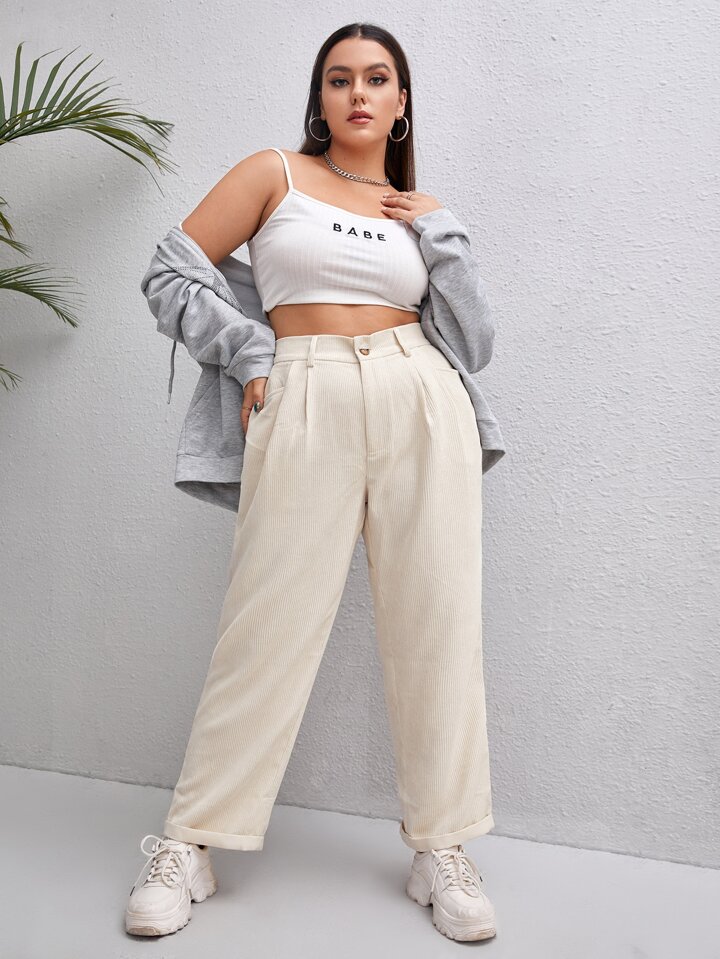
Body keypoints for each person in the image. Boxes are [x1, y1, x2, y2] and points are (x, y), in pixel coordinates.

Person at [126, 22, 502, 943]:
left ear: (401, 102)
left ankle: (442, 845)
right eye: (340, 79)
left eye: (377, 79)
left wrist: (442, 232)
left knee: (437, 621)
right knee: (266, 621)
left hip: (420, 396)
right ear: (321, 96)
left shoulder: (419, 213)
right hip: (305, 389)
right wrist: (250, 349)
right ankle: (190, 840)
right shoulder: (276, 175)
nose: (358, 93)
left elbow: (474, 344)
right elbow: (170, 272)